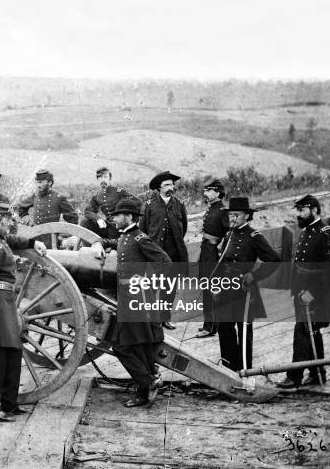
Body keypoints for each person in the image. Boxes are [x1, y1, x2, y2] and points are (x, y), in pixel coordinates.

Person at [92, 199, 172, 408]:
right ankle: (145, 389)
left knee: (122, 346)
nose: (114, 219)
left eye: (117, 215)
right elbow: (113, 242)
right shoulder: (126, 236)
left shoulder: (140, 238)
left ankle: (148, 382)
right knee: (138, 347)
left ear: (128, 216)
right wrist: (99, 243)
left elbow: (165, 262)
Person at [0, 202, 47, 422]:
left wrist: (34, 242)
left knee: (13, 355)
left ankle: (10, 403)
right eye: (8, 220)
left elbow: (14, 240)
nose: (12, 223)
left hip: (5, 304)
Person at [277, 195, 330, 390]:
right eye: (297, 210)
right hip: (302, 291)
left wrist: (312, 294)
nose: (298, 214)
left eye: (302, 210)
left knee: (302, 331)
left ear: (314, 210)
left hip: (316, 294)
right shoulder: (306, 231)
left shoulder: (326, 233)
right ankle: (317, 373)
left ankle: (294, 376)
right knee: (311, 332)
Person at [215, 196, 280, 372]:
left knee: (244, 330)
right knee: (225, 328)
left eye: (236, 214)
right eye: (231, 215)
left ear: (246, 216)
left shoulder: (254, 236)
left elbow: (274, 260)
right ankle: (229, 370)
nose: (232, 218)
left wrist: (255, 275)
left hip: (244, 290)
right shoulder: (229, 234)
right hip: (226, 289)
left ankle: (245, 371)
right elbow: (222, 262)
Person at [140, 171, 188, 330]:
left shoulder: (179, 204)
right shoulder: (148, 205)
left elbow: (184, 228)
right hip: (155, 255)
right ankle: (153, 321)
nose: (171, 187)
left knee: (169, 288)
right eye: (167, 185)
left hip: (173, 254)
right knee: (152, 288)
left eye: (172, 184)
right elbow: (143, 229)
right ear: (159, 187)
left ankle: (165, 318)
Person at [196, 178, 228, 338]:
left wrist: (220, 247)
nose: (205, 193)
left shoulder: (223, 211)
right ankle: (208, 325)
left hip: (214, 255)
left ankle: (211, 327)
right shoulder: (212, 209)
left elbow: (229, 234)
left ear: (217, 192)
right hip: (206, 252)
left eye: (209, 190)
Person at [16, 169, 78, 247]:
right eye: (37, 182)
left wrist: (62, 236)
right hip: (35, 236)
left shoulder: (58, 198)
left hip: (51, 239)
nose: (38, 185)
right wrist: (27, 219)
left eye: (41, 182)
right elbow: (19, 207)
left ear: (49, 182)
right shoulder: (35, 196)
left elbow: (73, 218)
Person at [80, 166, 137, 239]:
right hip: (108, 227)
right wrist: (98, 219)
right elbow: (87, 211)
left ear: (110, 179)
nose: (102, 180)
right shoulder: (97, 196)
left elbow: (136, 203)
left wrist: (130, 221)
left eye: (105, 177)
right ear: (97, 180)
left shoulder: (118, 192)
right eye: (100, 178)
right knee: (84, 221)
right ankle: (89, 247)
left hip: (121, 227)